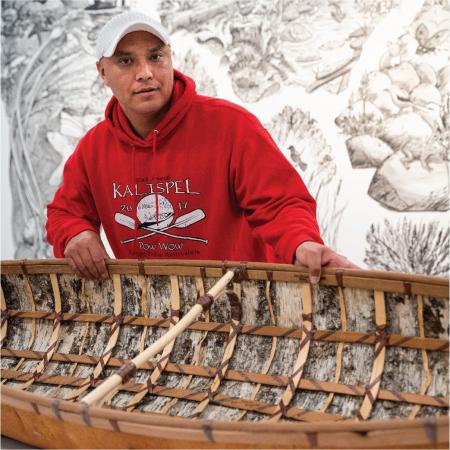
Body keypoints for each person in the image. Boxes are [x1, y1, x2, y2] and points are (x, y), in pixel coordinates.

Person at [46, 10, 357, 283]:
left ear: (169, 59)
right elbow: (64, 212)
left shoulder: (231, 125)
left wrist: (301, 242)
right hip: (159, 316)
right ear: (103, 73)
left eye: (155, 57)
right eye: (126, 61)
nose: (145, 73)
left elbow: (280, 203)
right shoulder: (93, 149)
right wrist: (77, 234)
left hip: (244, 302)